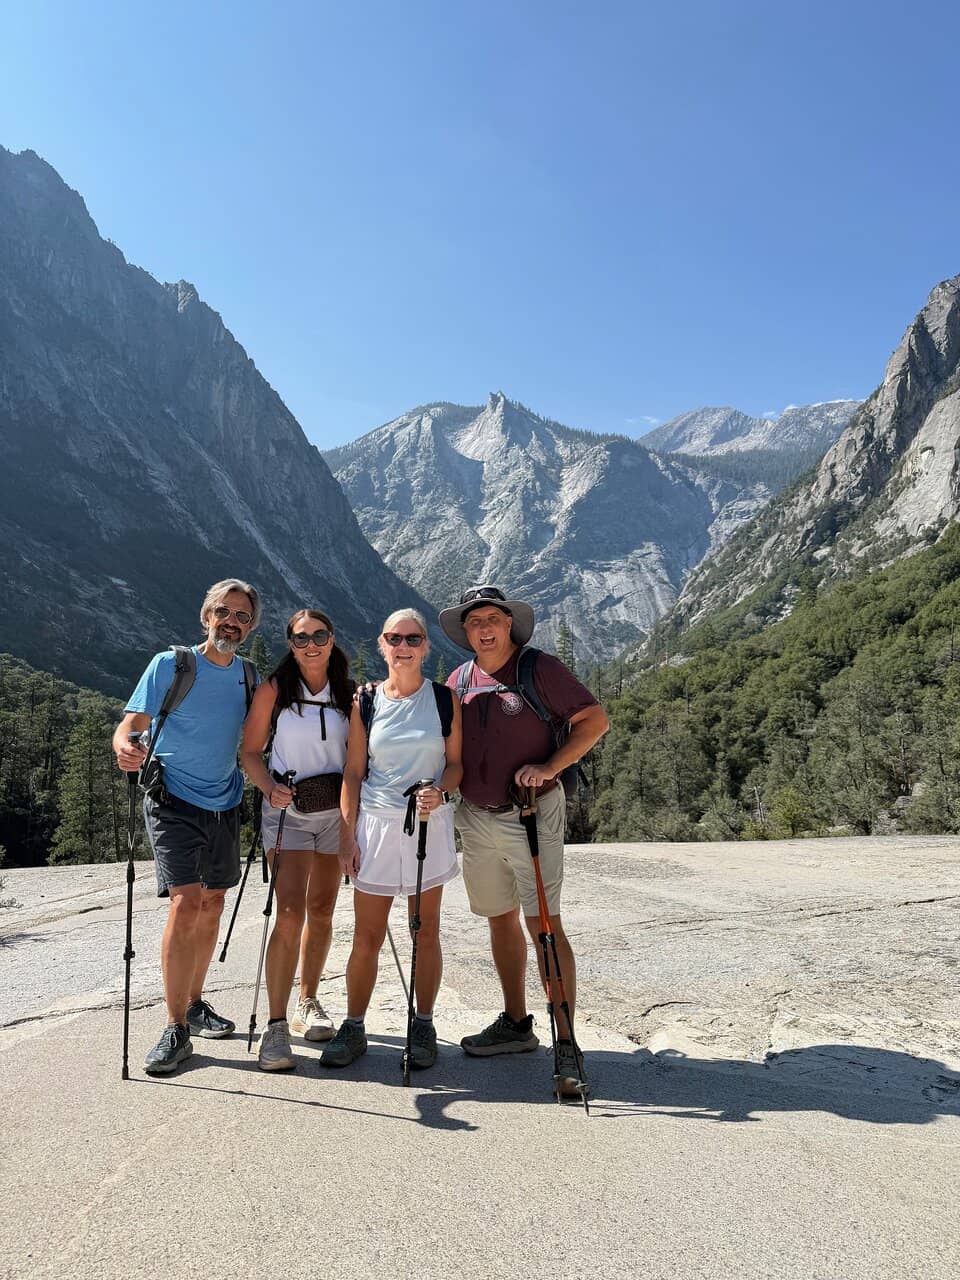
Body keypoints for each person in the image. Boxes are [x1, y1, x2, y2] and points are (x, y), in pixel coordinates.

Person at [438, 585, 609, 1097]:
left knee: (543, 922)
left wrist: (551, 766)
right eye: (474, 622)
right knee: (499, 918)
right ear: (465, 632)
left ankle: (566, 1039)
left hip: (531, 814)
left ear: (509, 623)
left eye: (493, 618)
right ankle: (516, 1021)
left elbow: (594, 721)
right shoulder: (460, 680)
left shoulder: (540, 670)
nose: (484, 628)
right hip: (476, 815)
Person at [113, 578, 261, 1076]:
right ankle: (175, 1025)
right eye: (223, 612)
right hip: (172, 796)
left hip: (225, 802)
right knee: (186, 900)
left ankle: (196, 1003)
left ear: (250, 626)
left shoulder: (249, 677)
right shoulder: (173, 664)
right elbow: (131, 723)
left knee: (215, 901)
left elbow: (263, 735)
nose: (231, 622)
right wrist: (125, 747)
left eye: (241, 616)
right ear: (206, 616)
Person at [322, 608, 463, 1071]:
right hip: (377, 826)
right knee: (367, 936)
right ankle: (355, 1025)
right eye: (394, 638)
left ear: (425, 647)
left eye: (412, 638)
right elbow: (354, 771)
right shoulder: (365, 701)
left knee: (425, 932)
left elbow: (456, 765)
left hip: (430, 823)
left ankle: (422, 1024)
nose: (403, 646)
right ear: (382, 645)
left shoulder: (444, 700)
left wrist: (439, 790)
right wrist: (347, 835)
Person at [240, 609, 354, 1071]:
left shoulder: (349, 691)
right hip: (288, 813)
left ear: (331, 638)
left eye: (319, 635)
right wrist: (269, 787)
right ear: (290, 643)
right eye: (301, 637)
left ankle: (309, 1001)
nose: (311, 644)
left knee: (323, 910)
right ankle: (276, 1024)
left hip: (334, 814)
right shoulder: (276, 689)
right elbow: (249, 752)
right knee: (288, 913)